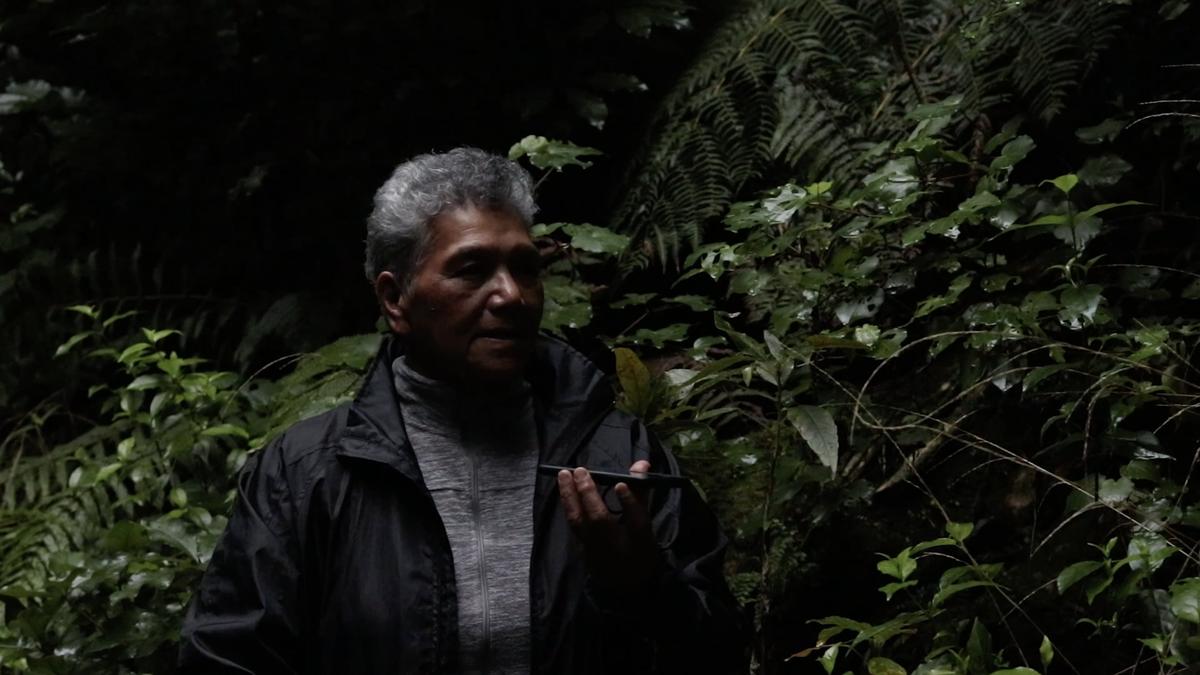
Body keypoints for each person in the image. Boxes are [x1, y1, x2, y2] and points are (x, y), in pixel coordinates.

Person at [179, 148, 744, 674]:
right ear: (394, 299)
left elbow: (720, 655)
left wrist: (644, 589)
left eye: (524, 268)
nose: (512, 295)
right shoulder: (307, 475)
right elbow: (227, 659)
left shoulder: (621, 459)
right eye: (472, 269)